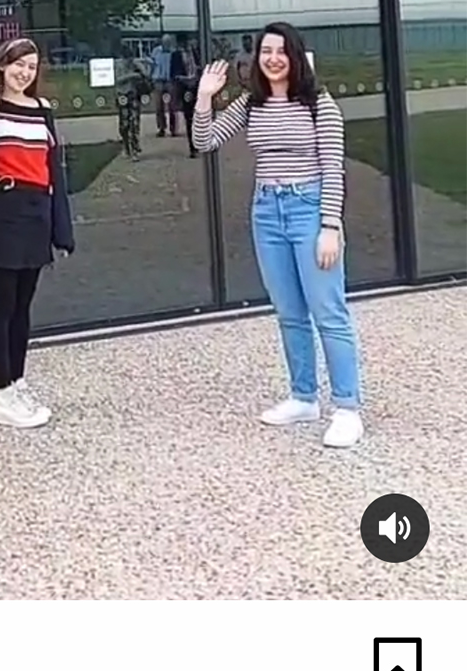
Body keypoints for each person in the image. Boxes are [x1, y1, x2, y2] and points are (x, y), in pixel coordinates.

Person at [192, 22, 363, 449]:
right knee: (289, 312)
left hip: (309, 210)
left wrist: (330, 225)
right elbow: (205, 140)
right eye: (265, 51)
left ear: (295, 56)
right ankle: (303, 397)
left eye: (281, 51)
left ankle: (347, 408)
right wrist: (204, 98)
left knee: (329, 311)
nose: (272, 59)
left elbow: (333, 168)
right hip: (267, 211)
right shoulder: (252, 104)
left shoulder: (318, 104)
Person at [0, 36, 75, 430]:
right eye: (17, 64)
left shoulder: (43, 110)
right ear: (2, 66)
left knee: (23, 308)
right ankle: (0, 393)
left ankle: (17, 382)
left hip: (37, 214)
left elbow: (54, 171)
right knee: (1, 307)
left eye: (31, 67)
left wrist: (62, 229)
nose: (24, 72)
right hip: (4, 214)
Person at [170, 35, 201, 154]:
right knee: (189, 116)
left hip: (196, 86)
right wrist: (185, 79)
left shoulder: (195, 52)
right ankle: (192, 146)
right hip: (186, 87)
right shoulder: (176, 55)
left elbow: (200, 66)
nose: (187, 45)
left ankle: (200, 140)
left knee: (199, 114)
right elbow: (173, 74)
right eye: (184, 43)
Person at [148, 37, 177, 136]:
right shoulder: (156, 51)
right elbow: (152, 65)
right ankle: (161, 128)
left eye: (168, 43)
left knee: (172, 106)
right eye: (165, 42)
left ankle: (173, 129)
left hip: (170, 80)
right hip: (158, 80)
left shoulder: (173, 52)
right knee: (158, 106)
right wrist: (150, 77)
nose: (167, 44)